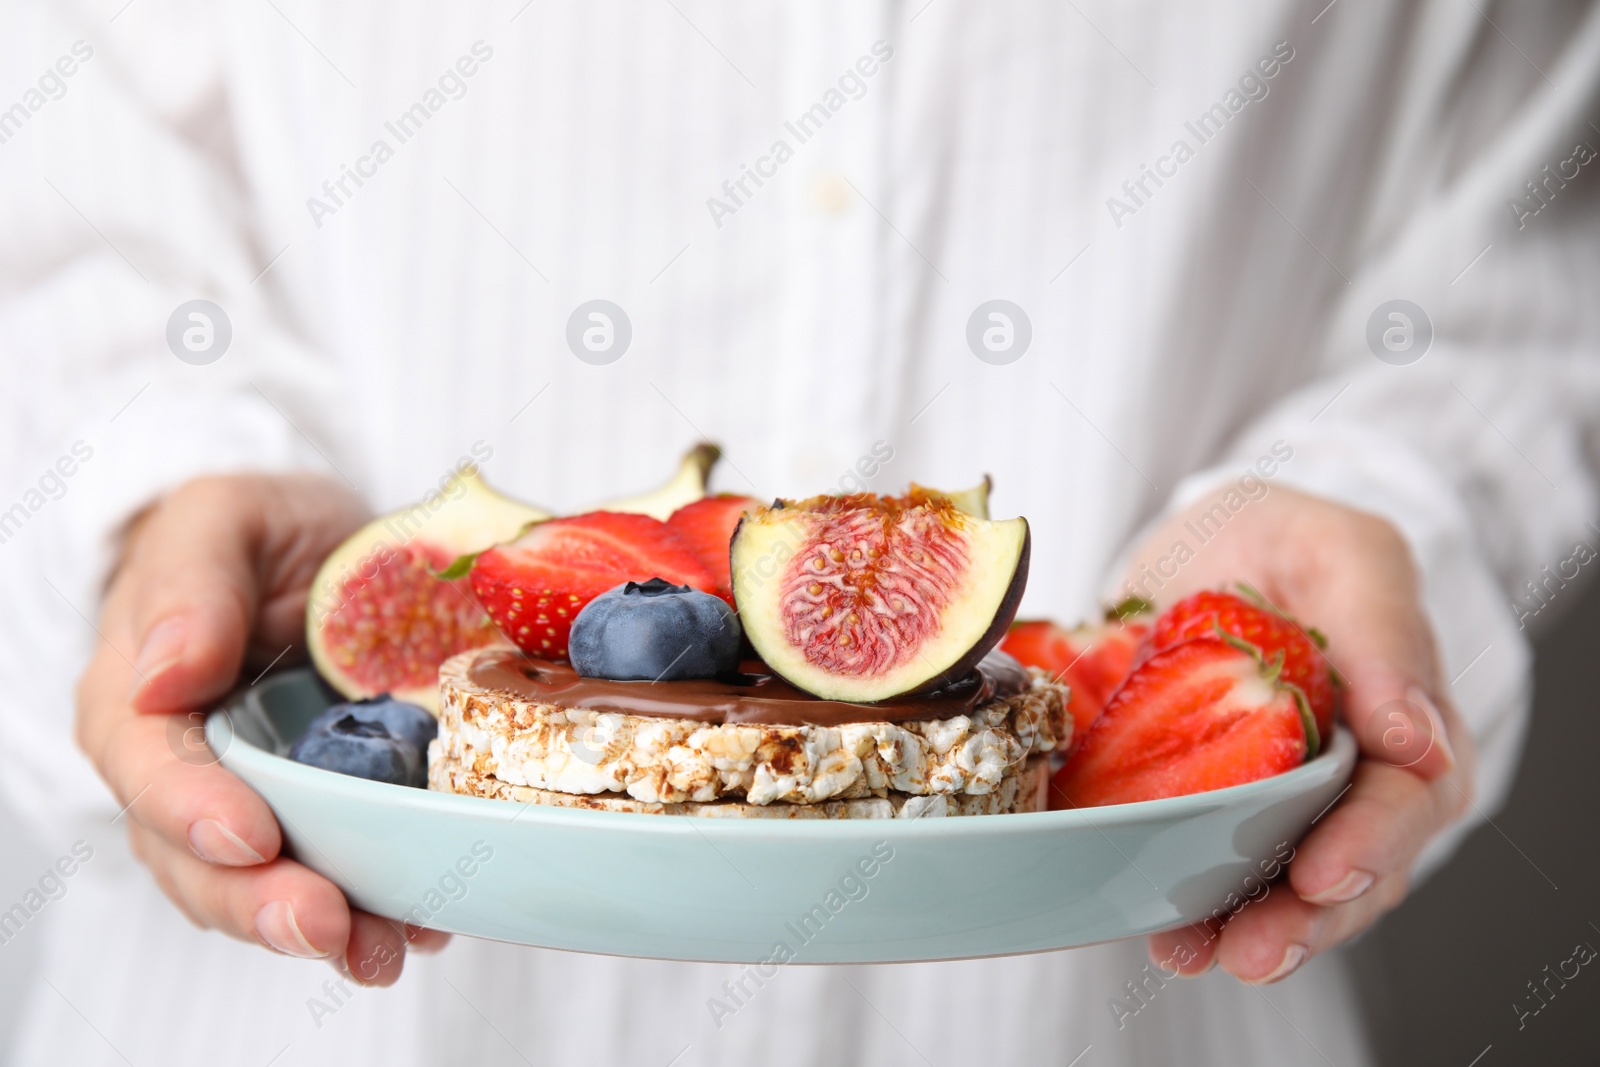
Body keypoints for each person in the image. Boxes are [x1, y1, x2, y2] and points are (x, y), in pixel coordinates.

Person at [3, 1, 1598, 1064]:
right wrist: (154, 471)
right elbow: (53, 162)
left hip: (1115, 966)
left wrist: (1389, 500)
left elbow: (1523, 244)